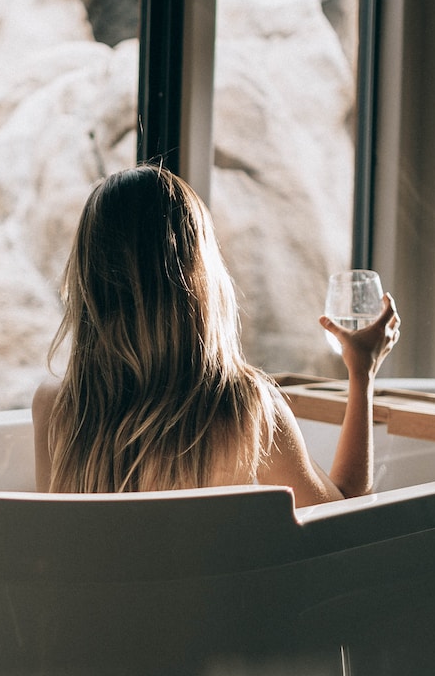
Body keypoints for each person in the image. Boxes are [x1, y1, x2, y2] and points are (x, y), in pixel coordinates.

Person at [32, 165, 399, 507]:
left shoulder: (55, 408)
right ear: (200, 279)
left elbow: (55, 542)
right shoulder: (246, 410)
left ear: (88, 282)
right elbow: (342, 519)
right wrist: (361, 373)